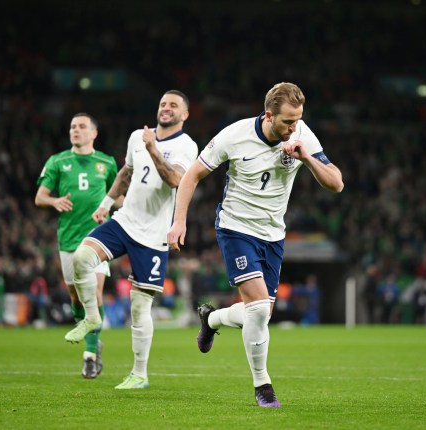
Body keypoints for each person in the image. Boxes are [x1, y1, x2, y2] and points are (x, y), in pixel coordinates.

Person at [167, 82, 344, 407]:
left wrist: (306, 156)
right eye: (288, 122)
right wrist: (179, 221)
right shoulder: (234, 136)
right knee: (260, 309)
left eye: (298, 120)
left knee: (259, 313)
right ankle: (263, 386)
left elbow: (336, 183)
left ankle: (212, 319)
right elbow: (192, 175)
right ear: (268, 115)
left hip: (273, 235)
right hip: (236, 229)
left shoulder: (301, 134)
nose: (294, 127)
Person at [63, 90, 198, 389]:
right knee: (82, 258)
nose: (166, 108)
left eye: (173, 105)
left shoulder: (186, 145)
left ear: (184, 115)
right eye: (163, 103)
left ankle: (139, 373)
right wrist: (106, 204)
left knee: (139, 308)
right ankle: (92, 318)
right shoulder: (139, 136)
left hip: (153, 235)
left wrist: (153, 150)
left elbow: (176, 180)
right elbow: (126, 172)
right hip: (125, 221)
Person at [35, 113, 118, 379]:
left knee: (93, 295)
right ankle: (93, 339)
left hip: (99, 239)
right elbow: (40, 196)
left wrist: (123, 207)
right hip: (69, 239)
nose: (76, 130)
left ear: (94, 133)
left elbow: (119, 196)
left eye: (82, 126)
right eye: (72, 126)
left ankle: (90, 356)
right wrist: (54, 201)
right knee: (76, 299)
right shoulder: (57, 161)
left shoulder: (107, 162)